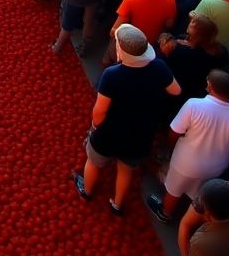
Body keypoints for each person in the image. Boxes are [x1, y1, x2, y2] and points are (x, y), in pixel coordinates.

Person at [73, 24, 181, 213]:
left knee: (94, 162)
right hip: (141, 131)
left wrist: (94, 126)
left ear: (120, 49)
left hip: (110, 130)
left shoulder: (112, 75)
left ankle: (87, 190)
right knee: (126, 169)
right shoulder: (158, 66)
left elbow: (100, 111)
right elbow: (176, 90)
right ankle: (117, 204)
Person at [148, 70, 229, 222]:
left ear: (209, 86)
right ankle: (192, 216)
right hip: (215, 168)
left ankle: (165, 213)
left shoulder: (194, 105)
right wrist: (228, 168)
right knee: (200, 193)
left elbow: (174, 132)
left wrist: (170, 149)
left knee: (174, 189)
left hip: (185, 162)